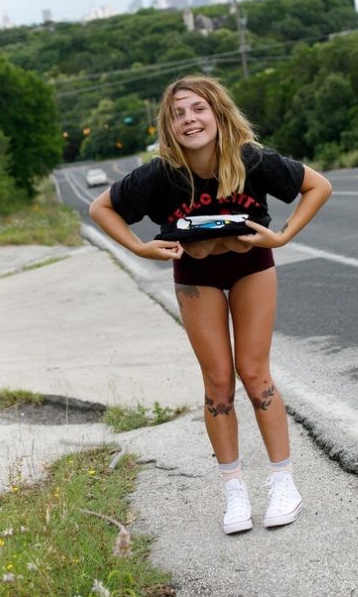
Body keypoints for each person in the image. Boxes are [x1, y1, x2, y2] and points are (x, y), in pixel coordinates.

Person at [89, 75, 332, 535]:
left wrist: (282, 237)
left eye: (198, 109)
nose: (189, 120)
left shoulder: (250, 158)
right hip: (195, 275)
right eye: (178, 114)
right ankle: (234, 490)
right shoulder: (160, 174)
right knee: (218, 383)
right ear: (169, 125)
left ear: (217, 113)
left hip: (251, 267)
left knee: (254, 373)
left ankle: (283, 484)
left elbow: (318, 186)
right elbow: (101, 208)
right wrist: (139, 248)